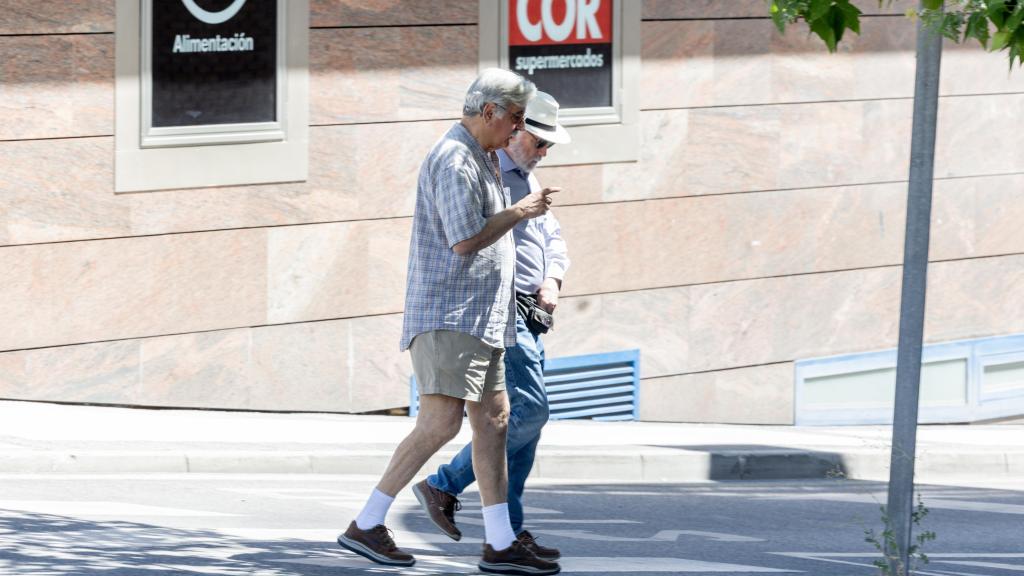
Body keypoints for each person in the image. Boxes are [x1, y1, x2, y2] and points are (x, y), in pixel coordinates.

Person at [336, 69, 561, 576]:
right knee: (441, 423)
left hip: (482, 318)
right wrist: (520, 211)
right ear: (489, 112)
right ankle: (367, 523)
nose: (518, 130)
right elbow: (464, 240)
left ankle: (500, 543)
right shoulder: (454, 158)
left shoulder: (480, 155)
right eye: (516, 119)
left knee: (496, 420)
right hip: (450, 314)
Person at [412, 91, 571, 562]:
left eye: (549, 147)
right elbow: (466, 240)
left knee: (519, 427)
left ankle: (508, 534)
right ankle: (444, 485)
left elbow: (554, 239)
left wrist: (552, 278)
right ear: (514, 127)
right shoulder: (487, 172)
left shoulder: (525, 176)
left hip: (531, 310)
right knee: (525, 414)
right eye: (539, 142)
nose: (544, 153)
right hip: (501, 309)